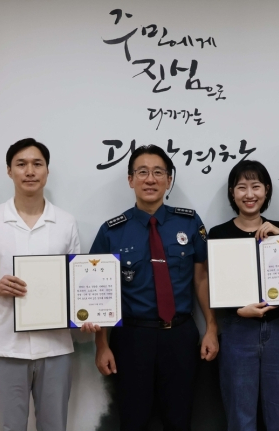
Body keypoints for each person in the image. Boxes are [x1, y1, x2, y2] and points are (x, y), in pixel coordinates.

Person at [87, 144, 218, 431]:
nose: (150, 179)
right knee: (133, 421)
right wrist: (102, 345)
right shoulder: (112, 231)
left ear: (169, 179)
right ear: (130, 179)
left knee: (180, 419)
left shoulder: (189, 221)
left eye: (158, 172)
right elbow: (100, 294)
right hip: (132, 338)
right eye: (142, 172)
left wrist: (211, 328)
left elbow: (202, 279)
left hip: (181, 337)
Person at [0, 138, 80, 431]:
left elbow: (78, 280)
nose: (29, 171)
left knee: (55, 427)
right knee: (9, 427)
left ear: (47, 172)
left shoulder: (65, 222)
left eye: (37, 164)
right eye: (21, 164)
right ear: (9, 171)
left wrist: (87, 315)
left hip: (56, 347)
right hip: (6, 347)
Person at [208, 160, 279, 431]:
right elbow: (216, 284)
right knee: (240, 418)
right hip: (237, 331)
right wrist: (238, 310)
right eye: (242, 187)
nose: (249, 194)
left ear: (267, 190)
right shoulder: (218, 234)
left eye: (256, 186)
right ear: (232, 192)